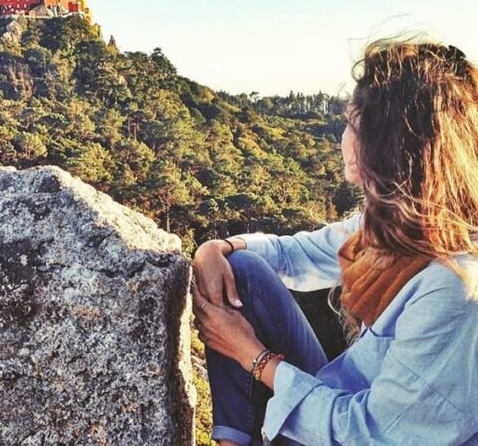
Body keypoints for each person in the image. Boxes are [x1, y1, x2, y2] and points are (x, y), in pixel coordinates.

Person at [192, 39, 478, 445]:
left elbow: (372, 435)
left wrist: (252, 356)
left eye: (351, 123)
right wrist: (217, 249)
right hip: (339, 402)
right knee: (243, 273)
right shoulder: (395, 230)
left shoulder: (454, 287)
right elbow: (294, 254)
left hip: (360, 431)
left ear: (386, 146)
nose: (342, 137)